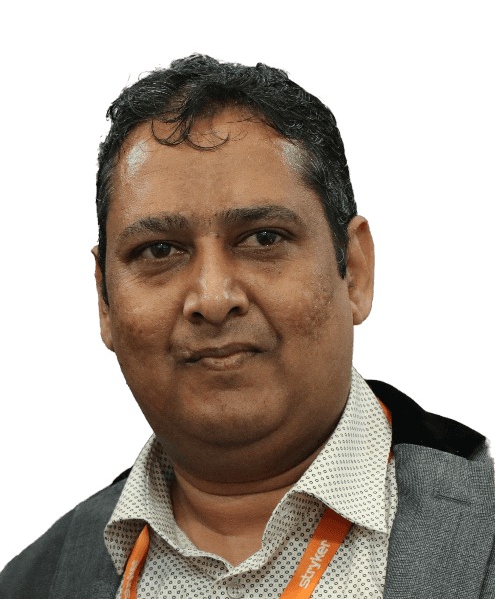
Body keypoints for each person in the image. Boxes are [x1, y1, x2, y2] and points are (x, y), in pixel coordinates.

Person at [1, 54, 494, 598]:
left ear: (354, 271)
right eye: (159, 250)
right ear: (104, 301)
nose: (213, 299)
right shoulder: (30, 584)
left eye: (263, 238)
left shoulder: (481, 527)